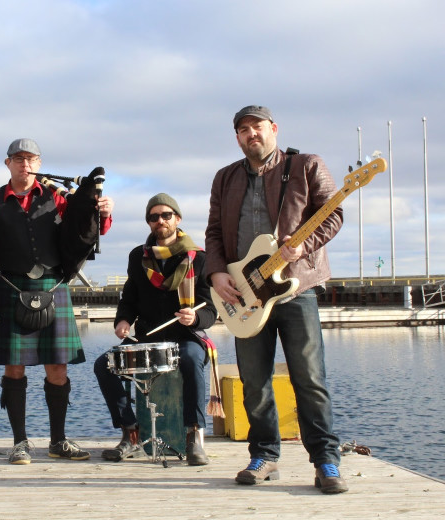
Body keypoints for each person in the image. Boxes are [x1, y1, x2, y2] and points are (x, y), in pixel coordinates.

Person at [204, 105, 348, 494]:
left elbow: (332, 216)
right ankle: (264, 455)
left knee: (310, 379)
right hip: (245, 293)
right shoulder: (225, 178)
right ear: (237, 137)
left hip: (295, 288)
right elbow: (214, 231)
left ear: (274, 129)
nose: (252, 134)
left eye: (258, 127)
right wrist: (217, 272)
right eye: (243, 130)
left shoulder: (306, 165)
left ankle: (326, 462)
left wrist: (304, 247)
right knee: (254, 381)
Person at [0, 138, 113, 464]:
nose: (25, 164)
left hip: (53, 285)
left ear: (39, 162)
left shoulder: (58, 198)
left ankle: (58, 441)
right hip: (10, 286)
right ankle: (20, 443)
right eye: (18, 158)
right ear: (8, 164)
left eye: (30, 158)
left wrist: (102, 212)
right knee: (14, 367)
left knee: (58, 368)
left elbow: (85, 231)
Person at [95, 193, 217, 466]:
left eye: (166, 215)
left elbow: (210, 309)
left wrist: (194, 319)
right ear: (149, 223)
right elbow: (129, 297)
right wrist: (123, 321)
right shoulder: (138, 256)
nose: (160, 221)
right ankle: (131, 433)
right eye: (154, 217)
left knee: (189, 359)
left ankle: (194, 436)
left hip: (186, 337)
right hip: (147, 337)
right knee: (104, 365)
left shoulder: (198, 258)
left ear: (177, 218)